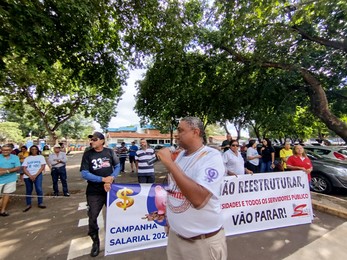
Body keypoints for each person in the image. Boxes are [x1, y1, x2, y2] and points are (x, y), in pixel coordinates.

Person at [157, 116, 227, 260]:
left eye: (181, 130)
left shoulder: (211, 157)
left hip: (201, 243)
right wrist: (171, 221)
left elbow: (198, 200)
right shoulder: (181, 155)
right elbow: (174, 189)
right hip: (176, 237)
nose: (177, 134)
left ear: (195, 132)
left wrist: (170, 164)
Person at [80, 131, 120, 257]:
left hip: (110, 189)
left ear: (102, 141)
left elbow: (118, 166)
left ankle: (118, 239)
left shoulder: (109, 152)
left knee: (116, 214)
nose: (92, 141)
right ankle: (95, 242)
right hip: (94, 191)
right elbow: (84, 173)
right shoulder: (87, 154)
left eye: (95, 139)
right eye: (91, 139)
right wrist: (103, 180)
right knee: (92, 217)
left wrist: (111, 178)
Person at [22, 145, 47, 212]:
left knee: (39, 189)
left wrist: (35, 175)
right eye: (32, 149)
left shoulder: (41, 157)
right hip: (28, 176)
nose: (34, 150)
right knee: (28, 190)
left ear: (37, 150)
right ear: (30, 150)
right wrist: (30, 175)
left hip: (37, 175)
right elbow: (24, 168)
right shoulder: (27, 158)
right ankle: (28, 204)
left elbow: (42, 167)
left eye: (35, 149)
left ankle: (40, 202)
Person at [0, 144, 21, 216]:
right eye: (3, 150)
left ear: (11, 150)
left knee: (7, 194)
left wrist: (6, 171)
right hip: (0, 179)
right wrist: (12, 169)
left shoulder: (15, 157)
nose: (5, 151)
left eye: (7, 150)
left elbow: (18, 168)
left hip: (11, 179)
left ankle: (3, 210)